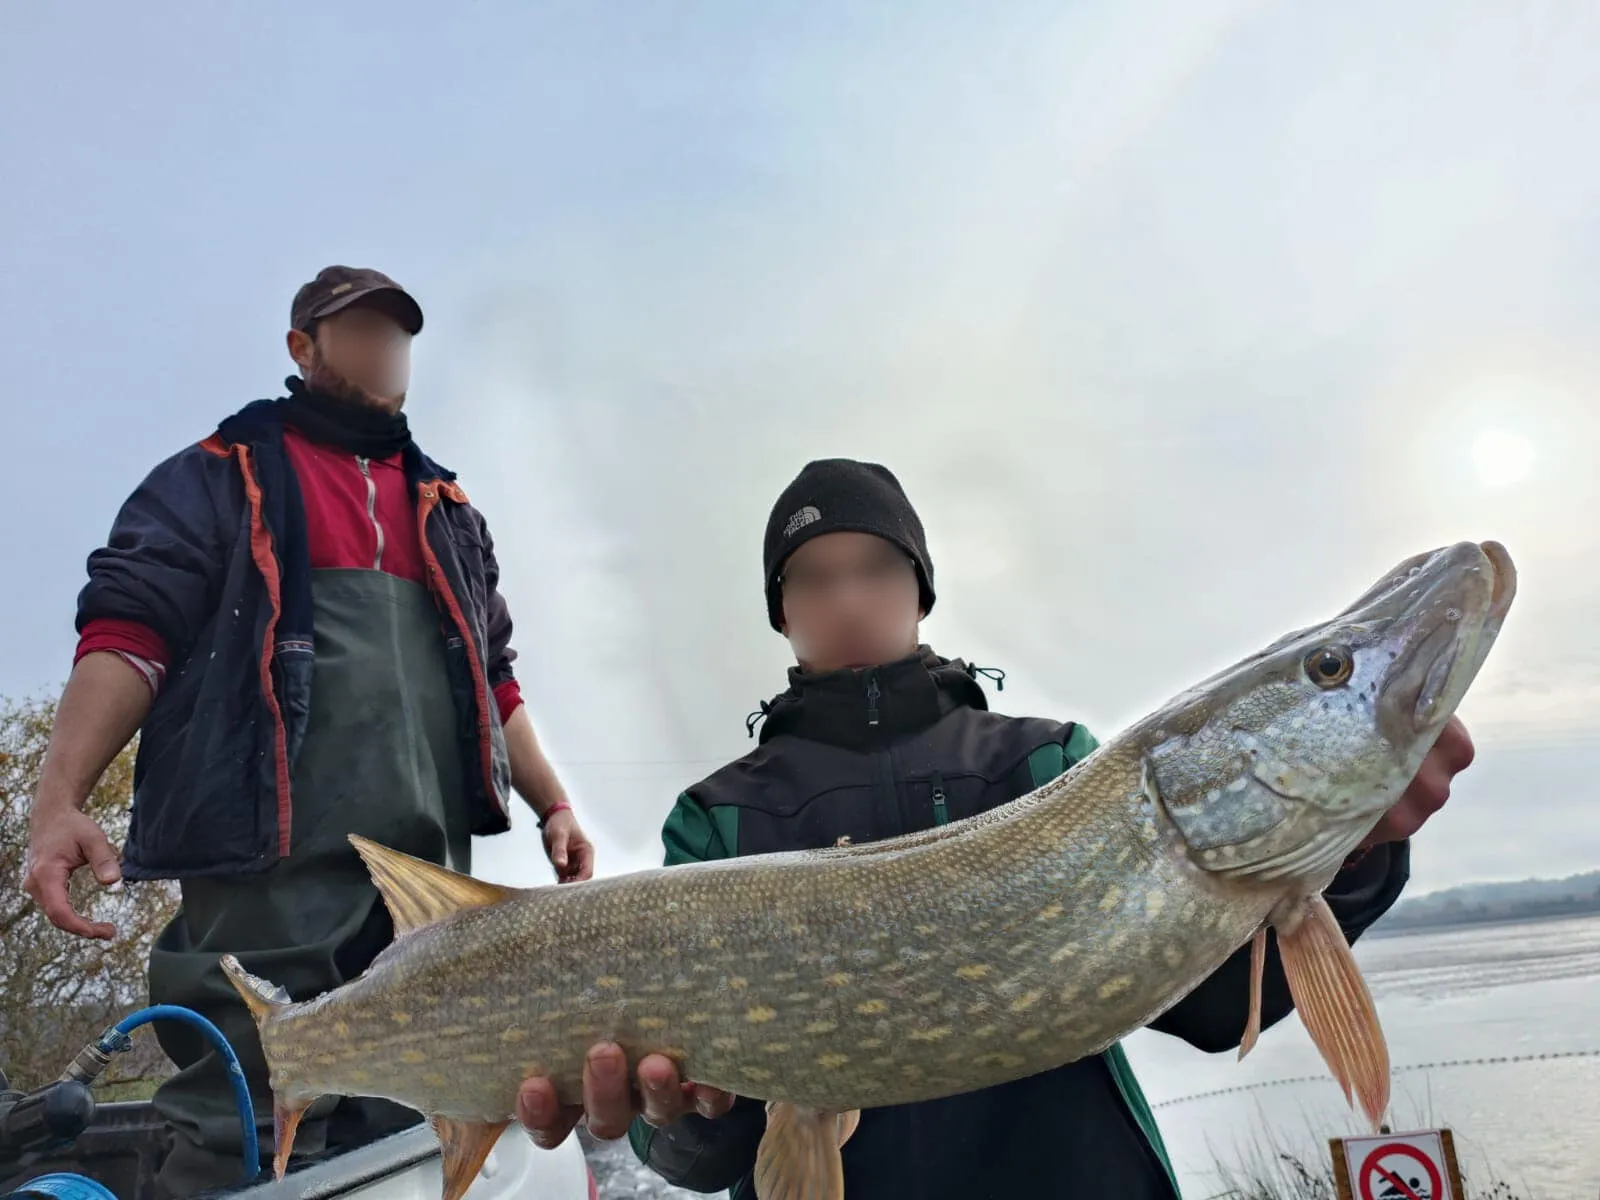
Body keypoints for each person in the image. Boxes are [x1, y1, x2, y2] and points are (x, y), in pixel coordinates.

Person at [516, 457, 1477, 1199]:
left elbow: (1213, 1011)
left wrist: (1356, 857)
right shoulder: (719, 817)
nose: (847, 599)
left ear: (919, 589)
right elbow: (693, 1152)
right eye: (811, 579)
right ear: (782, 612)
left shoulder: (1052, 764)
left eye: (875, 568)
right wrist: (680, 1115)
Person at [22, 266, 595, 1197]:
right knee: (243, 1116)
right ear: (302, 346)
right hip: (264, 872)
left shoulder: (450, 513)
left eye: (395, 335)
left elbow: (495, 677)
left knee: (411, 1118)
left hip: (421, 887)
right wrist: (59, 801)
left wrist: (554, 804)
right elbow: (129, 634)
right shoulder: (217, 476)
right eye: (358, 330)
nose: (383, 350)